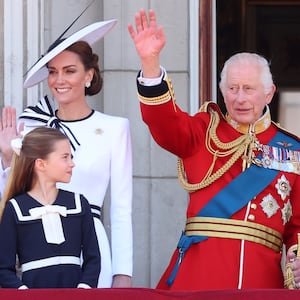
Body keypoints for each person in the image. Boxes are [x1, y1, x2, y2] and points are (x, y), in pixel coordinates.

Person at [128, 9, 300, 290]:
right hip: (198, 279)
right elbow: (164, 122)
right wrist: (150, 63)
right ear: (222, 91)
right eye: (232, 88)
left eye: (249, 88)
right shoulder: (204, 132)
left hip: (261, 283)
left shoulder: (292, 150)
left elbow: (297, 227)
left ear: (268, 93)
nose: (240, 98)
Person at [0, 20, 133, 288]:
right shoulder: (31, 127)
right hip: (36, 248)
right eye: (53, 72)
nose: (59, 80)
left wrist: (122, 274)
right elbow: (10, 199)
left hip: (91, 248)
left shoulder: (114, 128)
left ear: (88, 76)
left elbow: (121, 209)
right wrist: (6, 158)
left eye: (69, 71)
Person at [0, 127, 100, 288]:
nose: (72, 164)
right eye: (65, 157)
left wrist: (84, 288)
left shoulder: (79, 203)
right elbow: (4, 268)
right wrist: (23, 293)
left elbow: (93, 258)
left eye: (71, 157)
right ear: (41, 164)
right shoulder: (15, 209)